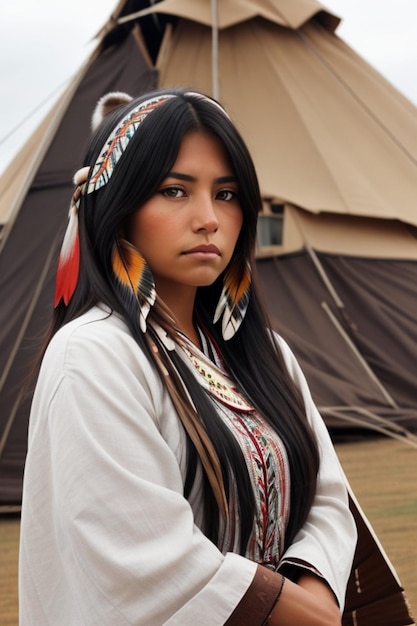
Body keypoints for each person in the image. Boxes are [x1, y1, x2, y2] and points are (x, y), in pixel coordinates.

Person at [19, 88, 357, 625]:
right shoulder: (93, 356)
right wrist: (302, 614)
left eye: (226, 195)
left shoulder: (267, 354)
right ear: (119, 207)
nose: (209, 219)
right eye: (175, 191)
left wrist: (315, 593)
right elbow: (143, 556)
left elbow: (327, 496)